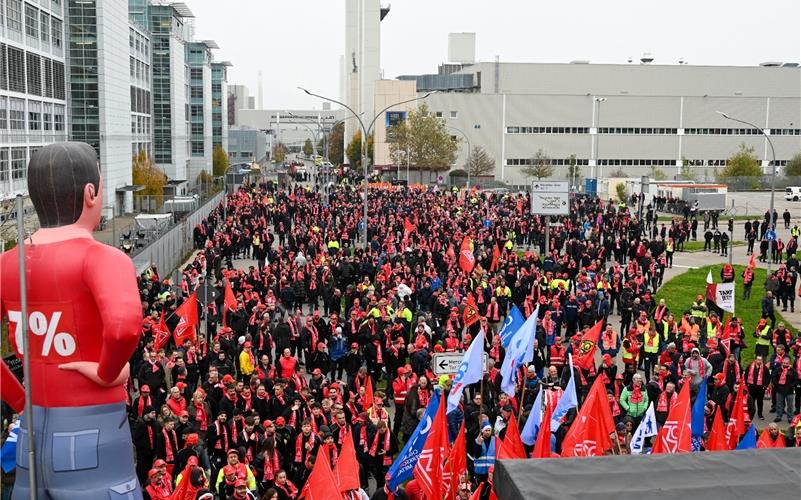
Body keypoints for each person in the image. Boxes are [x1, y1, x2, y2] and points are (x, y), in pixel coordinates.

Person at [0, 143, 143, 497]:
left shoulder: (6, 263)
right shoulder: (102, 259)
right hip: (95, 433)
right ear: (90, 193)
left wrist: (19, 400)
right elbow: (124, 327)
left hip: (32, 434)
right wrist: (107, 372)